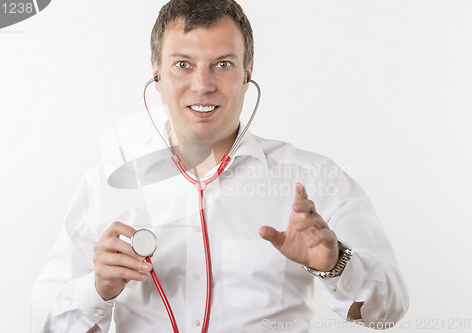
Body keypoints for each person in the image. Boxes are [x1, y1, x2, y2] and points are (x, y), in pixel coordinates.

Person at [29, 0, 409, 332]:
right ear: (156, 74)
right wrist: (97, 288)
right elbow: (41, 321)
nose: (202, 85)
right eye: (182, 64)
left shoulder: (313, 179)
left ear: (248, 73)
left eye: (223, 64)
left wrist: (337, 264)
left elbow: (389, 312)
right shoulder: (108, 184)